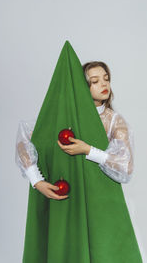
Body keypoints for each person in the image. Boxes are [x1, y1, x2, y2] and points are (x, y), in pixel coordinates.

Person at [15, 61, 134, 198]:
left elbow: (126, 166)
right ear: (81, 86)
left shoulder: (114, 121)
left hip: (100, 195)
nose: (104, 84)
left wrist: (88, 150)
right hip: (69, 196)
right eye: (95, 81)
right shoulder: (64, 116)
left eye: (106, 79)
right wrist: (36, 180)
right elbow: (24, 141)